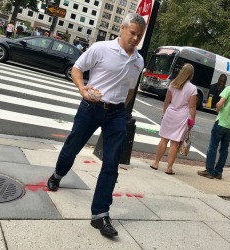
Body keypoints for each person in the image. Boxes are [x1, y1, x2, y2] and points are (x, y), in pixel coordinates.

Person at [47, 13, 146, 237]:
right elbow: (77, 68)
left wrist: (119, 108)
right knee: (72, 146)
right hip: (90, 108)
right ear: (122, 29)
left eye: (139, 36)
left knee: (111, 163)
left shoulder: (138, 61)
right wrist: (83, 90)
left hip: (116, 114)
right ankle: (57, 174)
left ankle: (100, 214)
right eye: (132, 33)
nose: (135, 39)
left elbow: (130, 89)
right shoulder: (101, 48)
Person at [150, 64, 197, 174]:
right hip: (181, 116)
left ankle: (156, 163)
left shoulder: (173, 83)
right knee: (175, 143)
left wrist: (164, 112)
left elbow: (167, 100)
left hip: (170, 113)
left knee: (163, 139)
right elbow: (192, 107)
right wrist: (192, 121)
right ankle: (169, 167)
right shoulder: (193, 88)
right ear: (191, 74)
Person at [198, 71, 230, 180]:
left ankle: (210, 170)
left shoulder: (229, 89)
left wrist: (218, 108)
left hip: (221, 121)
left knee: (213, 146)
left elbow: (219, 104)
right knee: (224, 149)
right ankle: (219, 171)